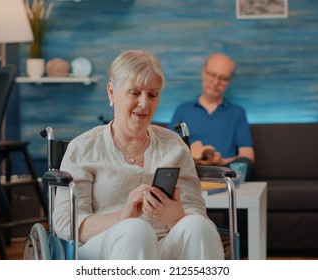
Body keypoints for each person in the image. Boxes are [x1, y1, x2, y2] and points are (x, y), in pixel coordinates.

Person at [52, 50, 224, 260]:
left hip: (163, 247)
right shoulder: (84, 148)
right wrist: (122, 217)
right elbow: (65, 223)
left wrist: (176, 216)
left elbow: (196, 210)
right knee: (135, 230)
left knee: (198, 226)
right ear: (112, 92)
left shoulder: (174, 146)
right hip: (104, 249)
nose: (144, 103)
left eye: (152, 95)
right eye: (134, 92)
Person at [168, 53, 255, 180]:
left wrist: (222, 161)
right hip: (190, 173)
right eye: (212, 75)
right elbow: (169, 149)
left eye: (223, 78)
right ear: (203, 72)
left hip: (225, 174)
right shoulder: (183, 110)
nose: (215, 82)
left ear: (229, 81)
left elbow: (248, 156)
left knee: (246, 165)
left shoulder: (237, 113)